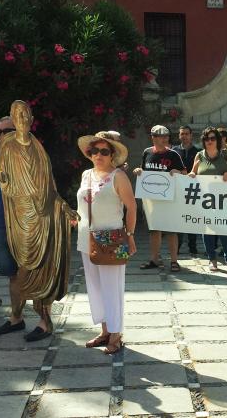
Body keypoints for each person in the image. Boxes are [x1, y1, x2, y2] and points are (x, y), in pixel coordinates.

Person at [0, 100, 78, 342]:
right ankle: (16, 318)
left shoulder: (38, 147)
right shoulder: (7, 147)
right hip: (16, 216)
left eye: (25, 114)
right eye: (16, 114)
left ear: (30, 119)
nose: (21, 118)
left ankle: (45, 321)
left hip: (41, 216)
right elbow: (1, 183)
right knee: (19, 271)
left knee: (43, 268)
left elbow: (48, 182)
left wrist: (62, 205)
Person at [76, 132, 137, 354]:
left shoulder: (118, 176)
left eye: (104, 151)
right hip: (87, 238)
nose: (98, 155)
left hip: (111, 239)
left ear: (112, 155)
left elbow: (131, 207)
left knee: (112, 288)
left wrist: (130, 234)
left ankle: (116, 334)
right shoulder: (86, 175)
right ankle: (104, 331)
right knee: (95, 288)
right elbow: (84, 205)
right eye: (94, 151)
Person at [0, 116, 27, 336]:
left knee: (31, 273)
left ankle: (44, 321)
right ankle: (16, 318)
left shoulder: (28, 157)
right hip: (2, 224)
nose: (1, 135)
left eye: (6, 131)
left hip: (24, 224)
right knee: (12, 274)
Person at [133, 125, 186, 272]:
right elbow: (144, 170)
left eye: (166, 136)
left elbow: (184, 173)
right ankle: (154, 259)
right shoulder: (147, 152)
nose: (164, 139)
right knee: (154, 230)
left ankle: (174, 261)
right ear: (153, 138)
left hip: (169, 199)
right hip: (151, 200)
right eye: (161, 136)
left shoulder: (173, 154)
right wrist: (139, 171)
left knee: (171, 230)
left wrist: (178, 172)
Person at [188, 127, 227, 272]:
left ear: (217, 140)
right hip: (205, 200)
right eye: (206, 139)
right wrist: (192, 174)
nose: (209, 141)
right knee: (208, 231)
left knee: (224, 229)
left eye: (212, 138)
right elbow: (192, 172)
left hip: (224, 200)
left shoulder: (225, 154)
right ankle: (212, 260)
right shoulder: (199, 156)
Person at [172, 125, 199, 256]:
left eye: (187, 134)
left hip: (194, 190)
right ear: (179, 136)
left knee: (192, 218)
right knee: (179, 219)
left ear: (191, 135)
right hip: (178, 190)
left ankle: (192, 246)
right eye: (182, 134)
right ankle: (177, 247)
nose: (184, 136)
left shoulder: (198, 152)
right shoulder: (174, 151)